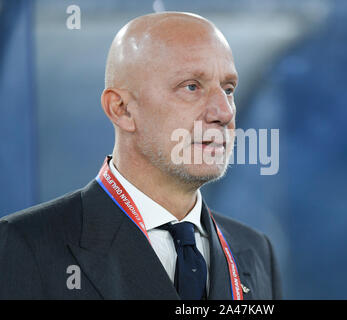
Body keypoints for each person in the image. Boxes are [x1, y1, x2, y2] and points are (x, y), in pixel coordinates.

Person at [0, 12, 282, 300]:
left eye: (228, 89)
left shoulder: (255, 252)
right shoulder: (26, 245)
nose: (224, 112)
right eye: (191, 87)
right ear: (121, 109)